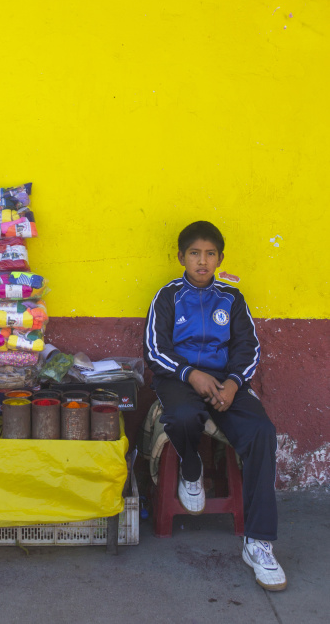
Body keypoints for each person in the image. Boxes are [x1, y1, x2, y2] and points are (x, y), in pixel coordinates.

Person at [143, 221, 286, 591]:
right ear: (181, 257)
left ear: (220, 258)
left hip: (226, 382)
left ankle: (258, 542)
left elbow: (248, 348)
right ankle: (192, 468)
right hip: (179, 380)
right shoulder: (168, 296)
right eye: (194, 253)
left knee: (261, 432)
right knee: (184, 415)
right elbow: (155, 350)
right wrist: (191, 374)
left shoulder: (232, 299)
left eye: (210, 254)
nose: (202, 261)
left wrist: (235, 383)